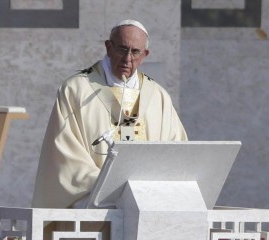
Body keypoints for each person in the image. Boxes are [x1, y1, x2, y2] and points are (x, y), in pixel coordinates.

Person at [32, 19, 188, 209]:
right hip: (95, 197)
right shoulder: (76, 89)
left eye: (135, 52)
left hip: (147, 200)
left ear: (145, 55)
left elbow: (177, 152)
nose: (128, 58)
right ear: (108, 47)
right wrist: (111, 188)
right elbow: (65, 155)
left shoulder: (158, 96)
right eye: (122, 49)